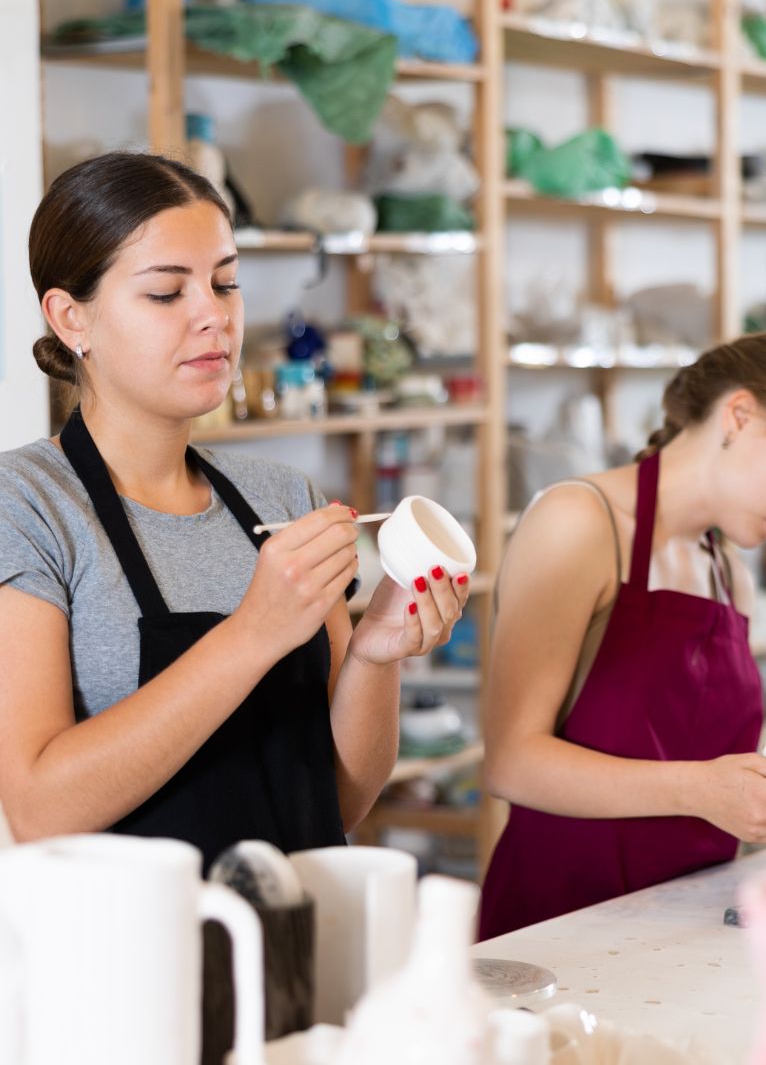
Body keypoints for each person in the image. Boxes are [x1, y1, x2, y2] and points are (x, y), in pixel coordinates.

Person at [0, 152, 469, 870]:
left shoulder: (284, 500)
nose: (213, 316)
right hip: (133, 962)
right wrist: (254, 633)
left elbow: (337, 801)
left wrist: (375, 654)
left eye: (225, 284)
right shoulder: (28, 505)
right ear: (71, 318)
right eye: (166, 294)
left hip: (296, 944)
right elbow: (40, 809)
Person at [478, 330, 766, 940]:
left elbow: (701, 761)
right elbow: (511, 762)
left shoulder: (727, 572)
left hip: (688, 919)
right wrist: (702, 790)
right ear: (739, 416)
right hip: (562, 927)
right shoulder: (579, 523)